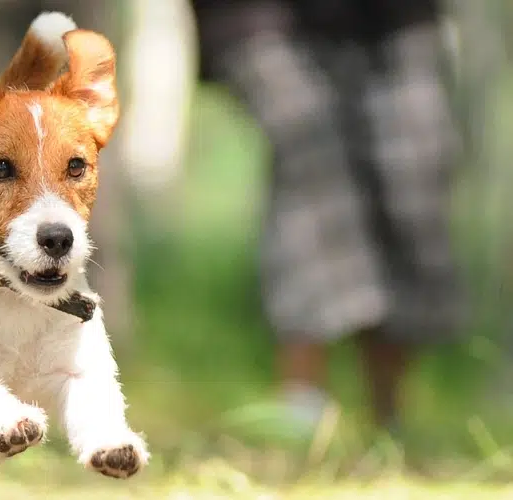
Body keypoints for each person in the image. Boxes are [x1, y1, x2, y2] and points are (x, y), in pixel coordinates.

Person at [189, 0, 467, 435]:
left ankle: (388, 416)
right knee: (314, 163)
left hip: (395, 20)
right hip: (257, 17)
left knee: (409, 177)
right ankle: (303, 407)